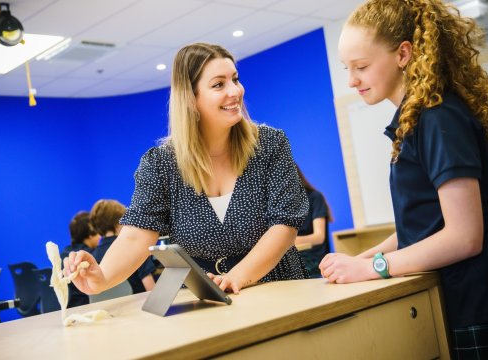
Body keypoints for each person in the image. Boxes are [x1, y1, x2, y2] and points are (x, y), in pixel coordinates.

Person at [320, 0, 488, 357]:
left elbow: (463, 237)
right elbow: (424, 226)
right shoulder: (413, 120)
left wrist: (372, 269)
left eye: (361, 66)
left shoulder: (438, 118)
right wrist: (363, 260)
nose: (352, 80)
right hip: (466, 301)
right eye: (347, 68)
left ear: (403, 54)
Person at [65, 42, 309, 296]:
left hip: (276, 288)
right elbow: (135, 237)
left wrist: (236, 277)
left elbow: (284, 226)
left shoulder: (269, 144)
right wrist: (101, 278)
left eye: (235, 79)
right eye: (218, 84)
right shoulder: (160, 164)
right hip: (206, 297)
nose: (234, 91)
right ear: (191, 98)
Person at [90, 199, 155, 294]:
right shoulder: (135, 249)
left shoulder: (93, 256)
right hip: (136, 306)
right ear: (118, 222)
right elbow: (151, 289)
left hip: (107, 308)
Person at [294, 165, 333, 278]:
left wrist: (287, 241)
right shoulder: (280, 204)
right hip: (292, 255)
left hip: (312, 258)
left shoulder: (315, 197)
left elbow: (319, 237)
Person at [60, 211, 100, 307]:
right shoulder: (91, 256)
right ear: (91, 233)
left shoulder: (64, 253)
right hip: (88, 306)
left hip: (67, 306)